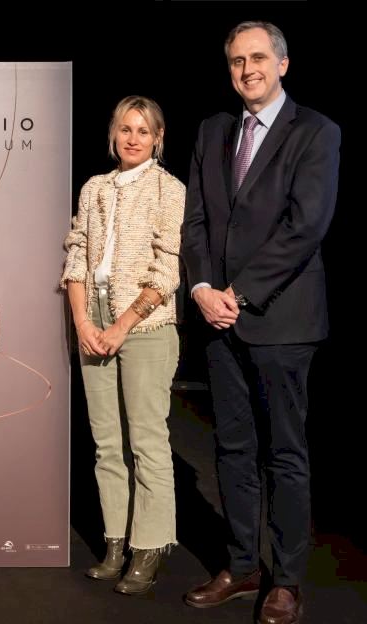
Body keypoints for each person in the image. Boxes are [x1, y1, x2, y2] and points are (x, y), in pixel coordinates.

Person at [182, 21, 340, 624]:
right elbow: (195, 221)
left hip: (282, 321)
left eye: (257, 58)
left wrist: (239, 293)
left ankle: (288, 580)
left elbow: (307, 226)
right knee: (232, 448)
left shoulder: (317, 132)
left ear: (282, 64)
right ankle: (244, 565)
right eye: (236, 61)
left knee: (285, 454)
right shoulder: (212, 131)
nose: (247, 70)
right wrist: (202, 289)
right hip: (217, 319)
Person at [60, 95, 185, 596]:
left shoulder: (169, 189)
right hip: (94, 322)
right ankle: (115, 542)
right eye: (126, 129)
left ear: (158, 138)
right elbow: (76, 256)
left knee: (146, 442)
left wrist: (123, 326)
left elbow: (167, 270)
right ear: (114, 133)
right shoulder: (94, 187)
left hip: (147, 326)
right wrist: (82, 322)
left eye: (144, 131)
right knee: (107, 443)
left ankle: (149, 545)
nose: (133, 139)